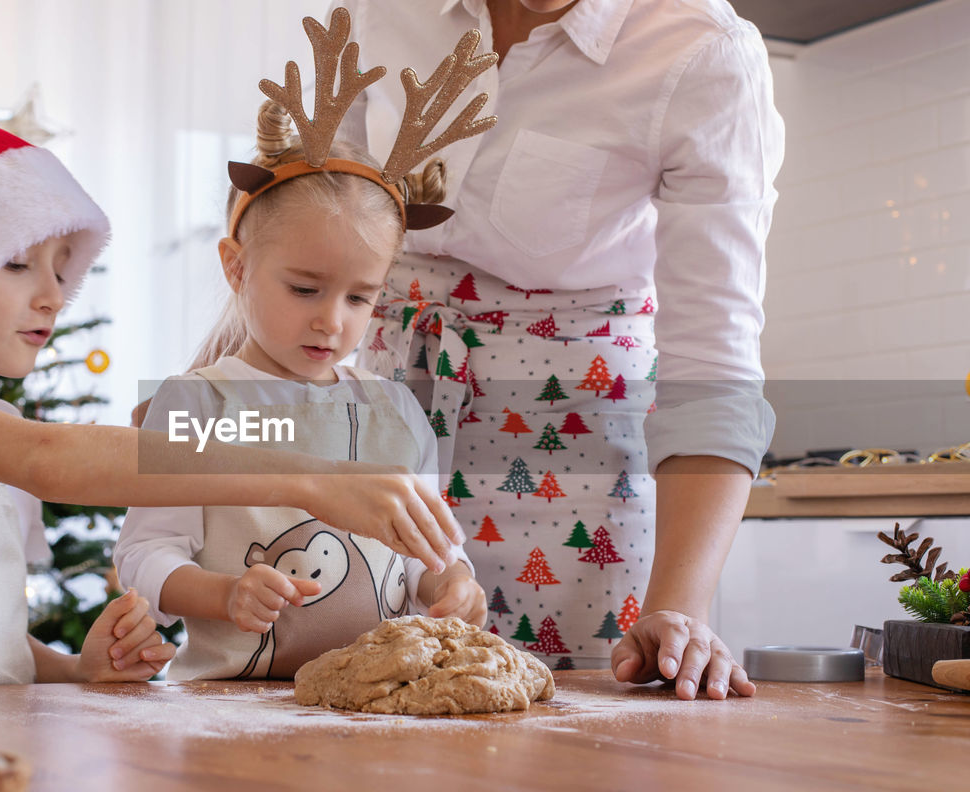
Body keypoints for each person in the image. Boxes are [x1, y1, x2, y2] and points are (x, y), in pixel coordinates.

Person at [0, 109, 464, 685]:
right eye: (15, 263)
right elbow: (49, 457)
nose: (54, 295)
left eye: (63, 268)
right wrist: (312, 480)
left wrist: (77, 668)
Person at [336, 0, 784, 700]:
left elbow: (713, 358)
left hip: (574, 460)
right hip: (383, 430)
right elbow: (313, 234)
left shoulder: (699, 50)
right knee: (362, 725)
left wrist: (678, 606)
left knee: (576, 759)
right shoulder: (379, 11)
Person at [113, 12, 502, 678]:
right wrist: (222, 594)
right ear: (236, 267)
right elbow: (143, 557)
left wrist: (453, 587)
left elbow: (428, 556)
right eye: (304, 289)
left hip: (377, 703)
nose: (332, 321)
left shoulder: (397, 413)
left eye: (359, 297)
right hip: (230, 714)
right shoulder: (196, 403)